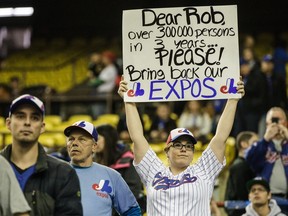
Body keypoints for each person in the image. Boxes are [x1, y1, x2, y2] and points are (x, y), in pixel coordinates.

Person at [117, 77, 245, 215]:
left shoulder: (204, 170)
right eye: (177, 145)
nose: (184, 148)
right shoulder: (153, 171)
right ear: (167, 150)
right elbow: (137, 137)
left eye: (189, 146)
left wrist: (233, 99)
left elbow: (220, 137)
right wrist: (128, 100)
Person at [0, 94, 83, 215]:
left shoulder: (63, 173)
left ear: (42, 127)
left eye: (34, 118)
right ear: (8, 123)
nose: (27, 122)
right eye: (20, 116)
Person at [64, 120, 141, 216]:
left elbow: (131, 211)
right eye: (71, 139)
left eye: (82, 139)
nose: (74, 143)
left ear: (94, 146)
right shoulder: (56, 173)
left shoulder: (112, 176)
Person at [94, 124, 146, 214]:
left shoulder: (127, 160)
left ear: (108, 140)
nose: (94, 143)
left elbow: (133, 191)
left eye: (97, 139)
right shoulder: (93, 159)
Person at [245, 107, 288, 198]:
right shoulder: (262, 145)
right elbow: (249, 158)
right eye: (272, 120)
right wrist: (265, 139)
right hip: (267, 199)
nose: (276, 123)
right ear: (267, 124)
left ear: (286, 123)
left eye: (278, 120)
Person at [225, 131, 259, 216]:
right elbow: (242, 194)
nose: (258, 146)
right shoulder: (240, 167)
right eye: (254, 143)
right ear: (244, 144)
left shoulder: (245, 165)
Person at [88, 50, 119, 119]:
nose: (103, 59)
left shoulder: (111, 69)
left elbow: (98, 82)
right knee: (98, 114)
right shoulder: (106, 68)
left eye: (105, 58)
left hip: (105, 94)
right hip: (102, 93)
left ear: (109, 59)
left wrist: (92, 81)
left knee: (101, 115)